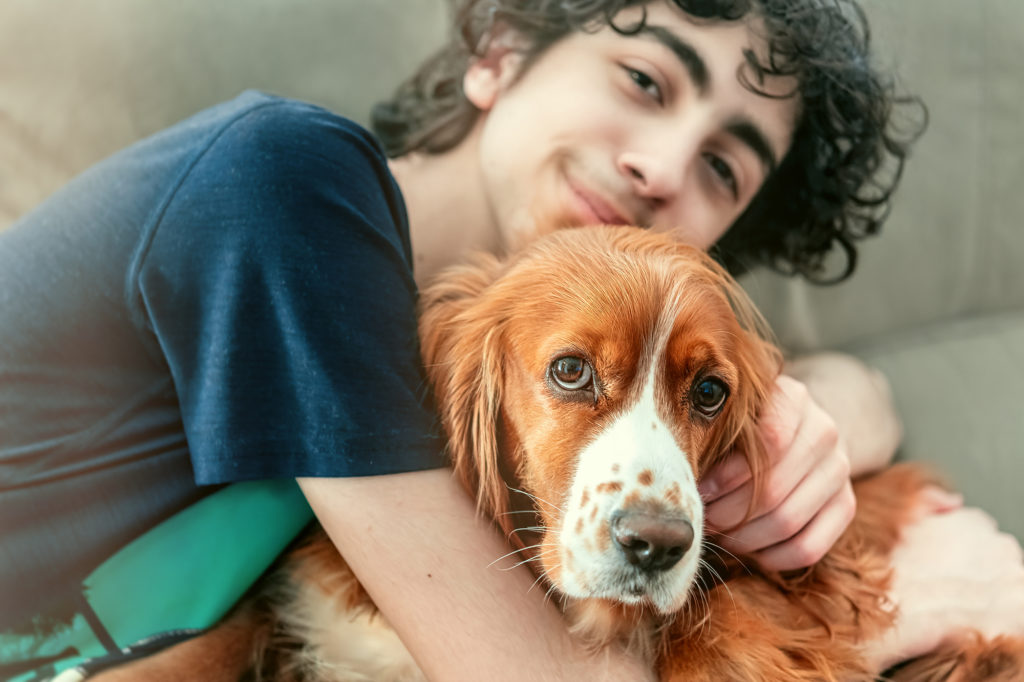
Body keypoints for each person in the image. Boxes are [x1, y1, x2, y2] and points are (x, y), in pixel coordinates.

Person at [1, 0, 1022, 680]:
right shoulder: (284, 188)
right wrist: (909, 608)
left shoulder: (513, 405)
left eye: (725, 169)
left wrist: (835, 402)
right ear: (496, 54)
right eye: (646, 81)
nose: (663, 168)